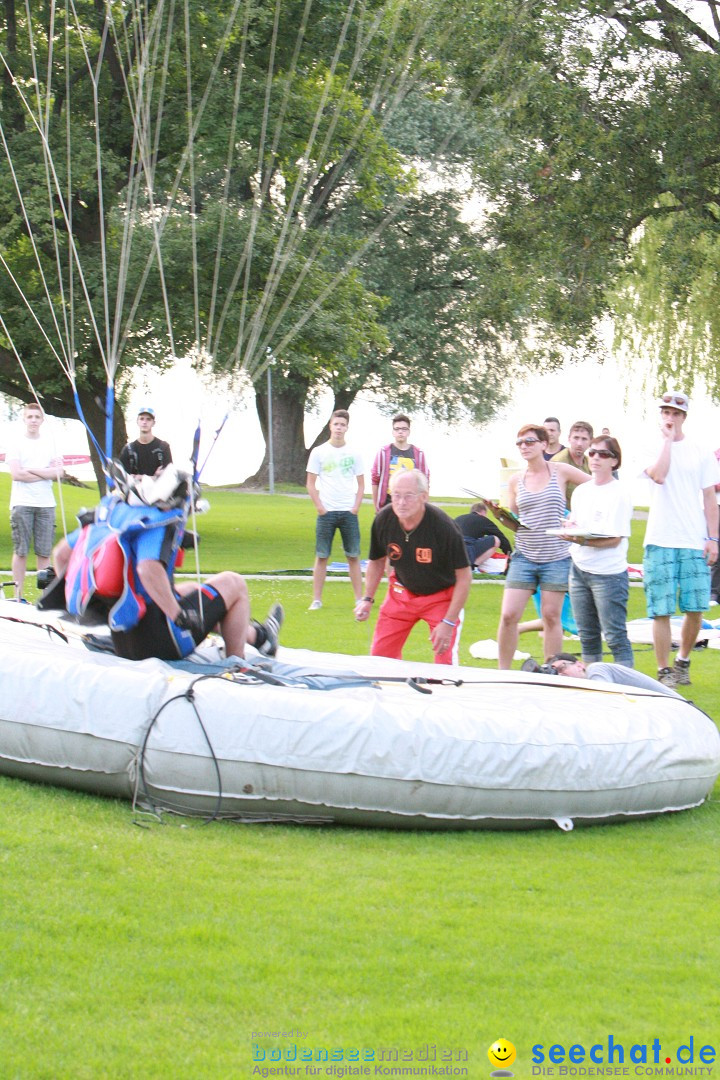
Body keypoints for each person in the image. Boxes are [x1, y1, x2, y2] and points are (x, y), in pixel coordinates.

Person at [51, 465, 282, 662]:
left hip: (123, 640)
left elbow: (61, 554)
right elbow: (148, 569)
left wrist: (89, 606)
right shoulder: (157, 523)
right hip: (162, 642)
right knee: (234, 583)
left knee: (191, 590)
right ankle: (236, 663)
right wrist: (178, 616)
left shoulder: (111, 517)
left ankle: (259, 638)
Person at [493, 423, 590, 669]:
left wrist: (580, 519)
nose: (523, 446)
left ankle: (550, 671)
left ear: (544, 445)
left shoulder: (561, 471)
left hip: (556, 557)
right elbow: (518, 524)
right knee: (508, 616)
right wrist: (500, 516)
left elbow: (597, 487)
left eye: (529, 442)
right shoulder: (515, 480)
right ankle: (504, 674)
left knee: (551, 616)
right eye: (520, 443)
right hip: (524, 556)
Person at [641, 389, 720, 688]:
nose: (670, 417)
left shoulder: (701, 451)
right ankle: (664, 671)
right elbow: (659, 475)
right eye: (666, 412)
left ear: (684, 416)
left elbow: (710, 499)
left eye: (676, 413)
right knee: (660, 609)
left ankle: (683, 659)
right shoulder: (652, 446)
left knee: (696, 607)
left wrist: (712, 537)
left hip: (692, 539)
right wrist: (666, 441)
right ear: (661, 415)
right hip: (660, 538)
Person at [354, 469, 471, 664]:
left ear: (423, 497)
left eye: (408, 496)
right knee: (379, 661)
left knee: (444, 662)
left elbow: (465, 577)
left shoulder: (444, 527)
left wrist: (448, 622)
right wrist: (367, 598)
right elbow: (376, 561)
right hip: (401, 593)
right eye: (396, 495)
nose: (401, 502)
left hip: (441, 597)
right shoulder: (384, 519)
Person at [558, 435, 634, 667]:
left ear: (615, 461)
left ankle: (626, 686)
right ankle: (595, 685)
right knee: (587, 635)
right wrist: (569, 528)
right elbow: (579, 525)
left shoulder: (619, 493)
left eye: (603, 454)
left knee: (614, 636)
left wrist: (581, 540)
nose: (596, 458)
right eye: (592, 453)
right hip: (579, 569)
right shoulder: (582, 491)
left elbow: (614, 539)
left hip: (608, 574)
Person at [306, 409, 365, 611]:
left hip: (348, 512)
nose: (339, 428)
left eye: (342, 425)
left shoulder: (354, 453)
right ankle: (316, 599)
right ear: (330, 426)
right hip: (327, 512)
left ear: (347, 427)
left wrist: (355, 507)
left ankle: (359, 598)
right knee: (322, 556)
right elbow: (310, 483)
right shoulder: (319, 452)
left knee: (353, 556)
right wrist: (319, 507)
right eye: (336, 424)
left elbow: (361, 484)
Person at [7, 401, 65, 601]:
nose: (33, 420)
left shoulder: (50, 444)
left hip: (46, 503)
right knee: (21, 550)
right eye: (30, 417)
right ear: (24, 419)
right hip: (22, 502)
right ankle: (18, 595)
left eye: (36, 417)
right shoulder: (16, 444)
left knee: (44, 552)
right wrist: (45, 473)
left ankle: (44, 597)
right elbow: (16, 474)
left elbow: (59, 473)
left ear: (42, 420)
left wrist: (31, 470)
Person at [544, 653, 683, 700]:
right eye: (556, 674)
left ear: (579, 665)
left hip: (676, 707)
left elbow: (605, 699)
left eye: (562, 668)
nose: (561, 674)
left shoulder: (596, 669)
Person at [371, 414, 430, 511]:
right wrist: (377, 507)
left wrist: (423, 505)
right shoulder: (383, 453)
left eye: (404, 429)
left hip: (411, 505)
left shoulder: (419, 454)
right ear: (393, 432)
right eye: (397, 429)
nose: (400, 432)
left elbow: (425, 481)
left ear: (409, 432)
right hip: (388, 504)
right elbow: (375, 480)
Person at [453, 501, 512, 571]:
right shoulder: (483, 520)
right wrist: (509, 554)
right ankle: (474, 566)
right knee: (496, 539)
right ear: (483, 512)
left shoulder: (458, 518)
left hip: (453, 550)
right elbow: (501, 538)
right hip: (469, 549)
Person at [119, 406, 173, 477]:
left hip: (159, 487)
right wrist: (154, 477)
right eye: (141, 419)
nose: (144, 422)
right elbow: (123, 478)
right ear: (137, 422)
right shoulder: (128, 450)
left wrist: (140, 477)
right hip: (135, 487)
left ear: (153, 423)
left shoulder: (164, 447)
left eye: (148, 419)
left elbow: (170, 476)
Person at [550, 420, 593, 504]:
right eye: (576, 438)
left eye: (584, 439)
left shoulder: (590, 462)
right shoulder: (558, 462)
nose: (579, 443)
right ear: (569, 439)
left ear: (590, 442)